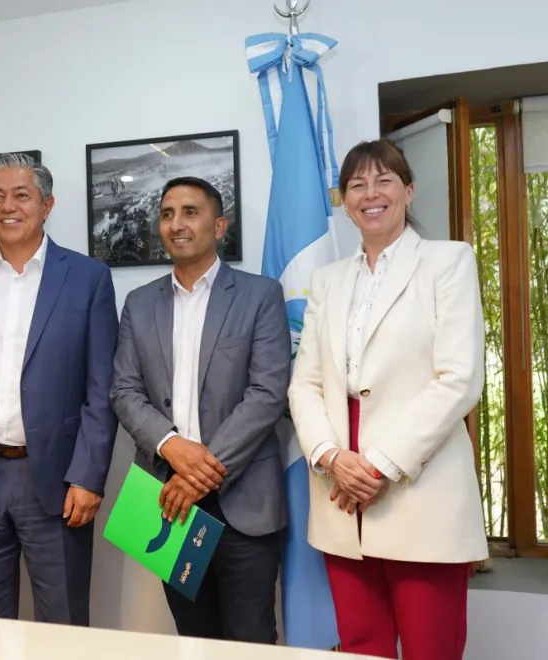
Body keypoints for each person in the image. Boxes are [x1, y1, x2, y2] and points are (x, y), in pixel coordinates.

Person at [288, 139, 487, 660]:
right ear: (345, 200)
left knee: (431, 648)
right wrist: (330, 455)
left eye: (384, 181)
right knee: (360, 647)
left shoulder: (448, 262)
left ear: (409, 190)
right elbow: (304, 383)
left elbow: (459, 378)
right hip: (338, 489)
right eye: (357, 184)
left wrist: (375, 465)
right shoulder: (327, 281)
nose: (370, 194)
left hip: (418, 488)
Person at [0, 153, 119, 625]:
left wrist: (89, 476)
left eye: (21, 195)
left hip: (56, 479)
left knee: (65, 624)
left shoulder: (88, 278)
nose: (7, 206)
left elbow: (102, 388)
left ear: (46, 205)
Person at [110, 176, 291, 644]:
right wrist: (173, 448)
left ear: (220, 225)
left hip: (244, 498)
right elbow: (125, 392)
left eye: (191, 212)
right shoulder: (139, 303)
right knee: (193, 635)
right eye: (168, 214)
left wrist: (199, 472)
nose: (177, 224)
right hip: (166, 499)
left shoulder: (260, 295)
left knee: (250, 637)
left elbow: (268, 393)